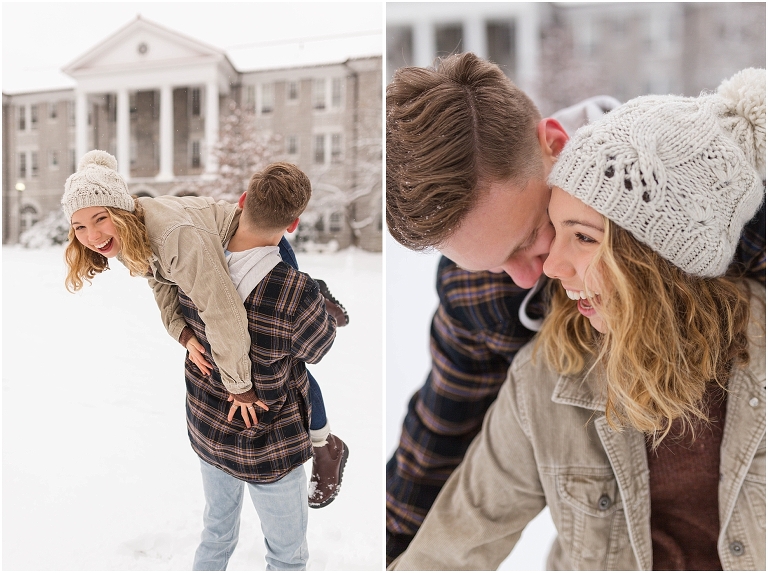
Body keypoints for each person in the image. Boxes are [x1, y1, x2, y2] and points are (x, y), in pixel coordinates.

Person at [385, 53, 766, 563]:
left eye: (530, 239)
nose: (536, 276)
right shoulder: (489, 313)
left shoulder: (716, 198)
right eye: (492, 265)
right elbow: (439, 446)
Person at [62, 151, 349, 508]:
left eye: (99, 219)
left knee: (292, 366)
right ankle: (316, 295)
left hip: (256, 245)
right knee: (279, 343)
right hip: (224, 250)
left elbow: (223, 313)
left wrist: (240, 387)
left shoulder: (173, 237)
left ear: (119, 208)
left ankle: (325, 446)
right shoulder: (125, 233)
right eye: (79, 227)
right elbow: (156, 277)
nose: (91, 235)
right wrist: (180, 331)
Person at [179, 162, 338, 570]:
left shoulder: (197, 254)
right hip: (266, 447)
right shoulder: (293, 292)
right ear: (295, 223)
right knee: (287, 557)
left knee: (215, 533)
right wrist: (316, 300)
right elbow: (319, 348)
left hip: (208, 428)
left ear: (243, 201)